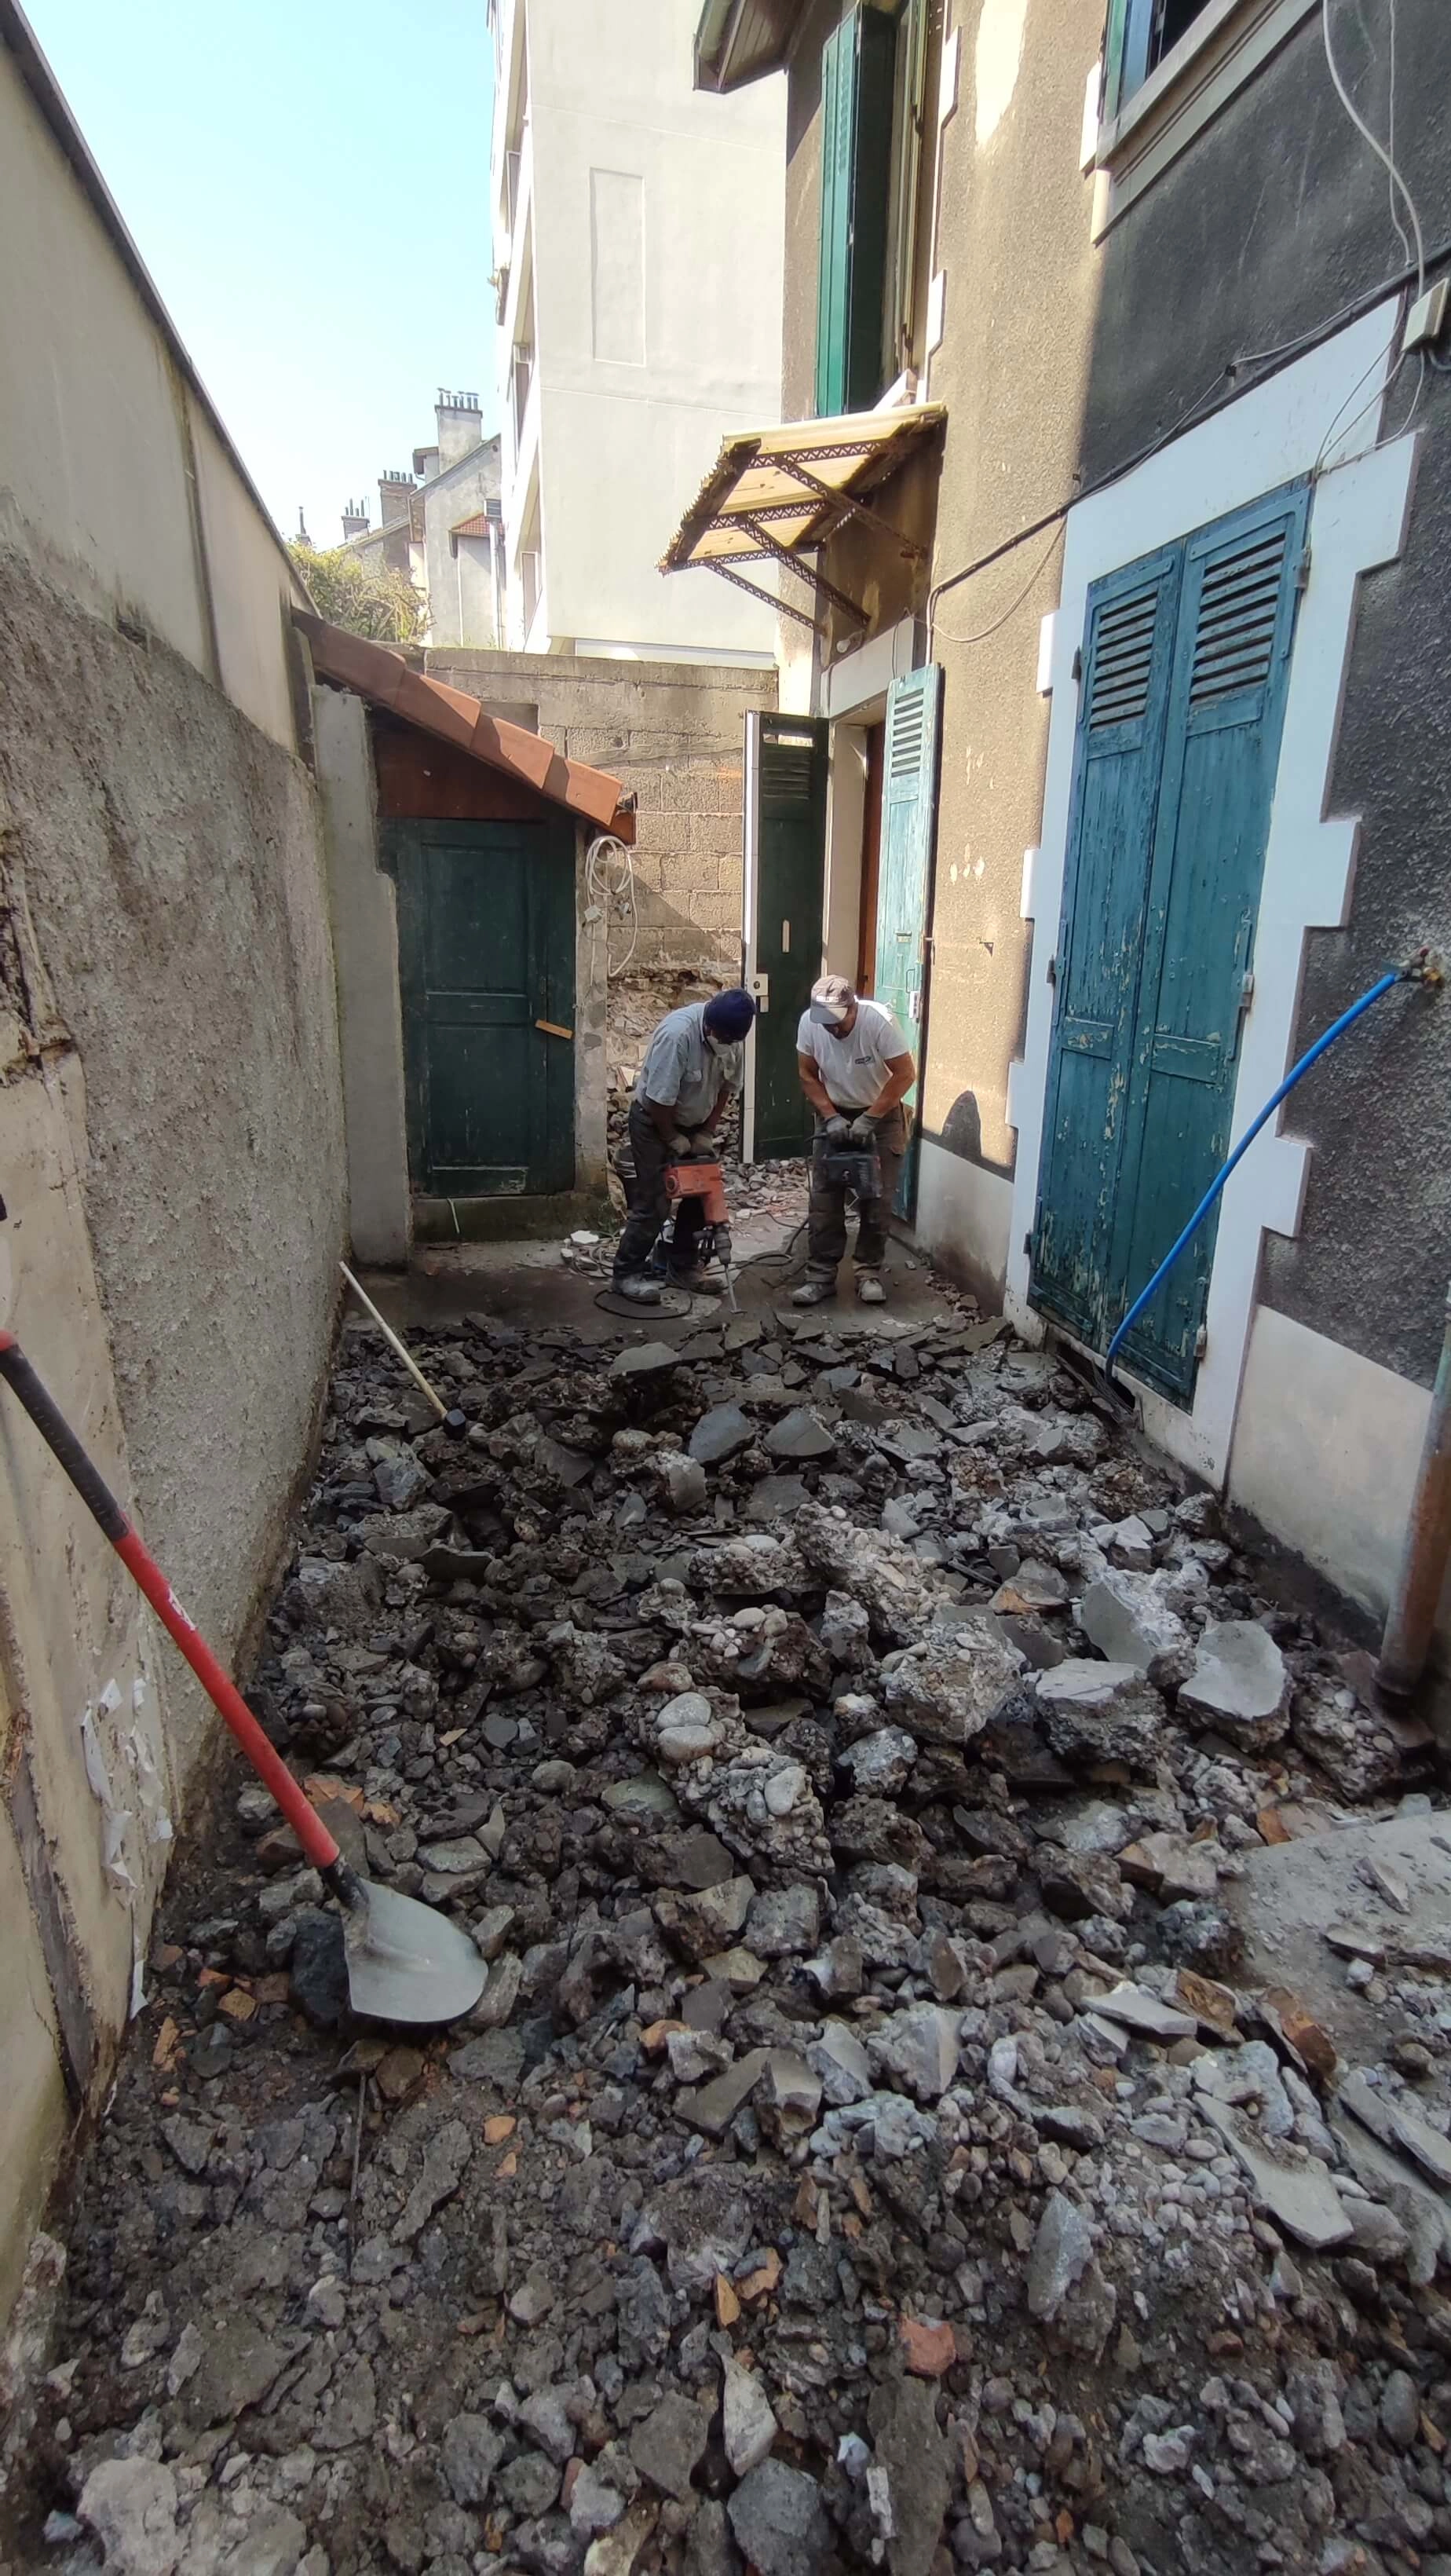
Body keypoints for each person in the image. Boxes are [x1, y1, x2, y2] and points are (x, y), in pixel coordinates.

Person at [612, 986, 757, 1303]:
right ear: (709, 1026)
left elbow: (725, 1090)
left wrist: (706, 1133)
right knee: (655, 1203)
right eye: (724, 1038)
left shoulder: (733, 1040)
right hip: (654, 1122)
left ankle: (683, 1266)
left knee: (702, 1189)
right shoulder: (678, 1036)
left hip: (694, 1123)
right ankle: (626, 1273)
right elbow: (657, 1101)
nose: (729, 1045)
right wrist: (672, 1139)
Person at [793, 971, 916, 1306]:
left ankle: (868, 1273)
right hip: (834, 1110)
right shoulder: (811, 1024)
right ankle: (820, 1275)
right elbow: (807, 1073)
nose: (832, 1029)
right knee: (825, 1201)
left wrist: (870, 1118)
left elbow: (905, 1074)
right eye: (826, 1022)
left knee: (876, 1202)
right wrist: (829, 1115)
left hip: (881, 1112)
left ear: (853, 1007)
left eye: (838, 1022)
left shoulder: (878, 1022)